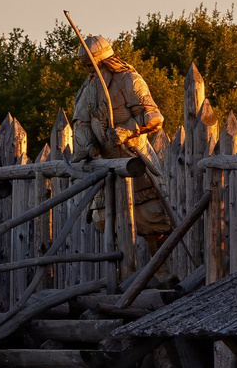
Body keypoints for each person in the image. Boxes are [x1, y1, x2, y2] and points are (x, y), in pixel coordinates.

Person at [70, 34, 172, 242]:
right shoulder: (87, 89)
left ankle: (162, 271)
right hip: (106, 165)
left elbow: (154, 117)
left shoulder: (129, 80)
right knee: (104, 219)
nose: (90, 71)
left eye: (93, 65)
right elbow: (81, 122)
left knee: (151, 215)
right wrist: (89, 145)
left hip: (134, 158)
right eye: (86, 66)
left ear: (104, 60)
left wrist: (128, 129)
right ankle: (119, 272)